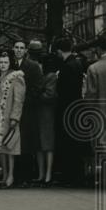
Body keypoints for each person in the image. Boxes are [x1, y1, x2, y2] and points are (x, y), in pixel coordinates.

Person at [53, 38, 87, 186]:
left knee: (67, 143)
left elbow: (62, 90)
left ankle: (70, 176)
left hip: (67, 108)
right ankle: (77, 175)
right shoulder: (78, 64)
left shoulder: (66, 66)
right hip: (76, 106)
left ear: (60, 51)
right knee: (75, 142)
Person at [0, 50, 25, 188]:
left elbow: (19, 99)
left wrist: (15, 117)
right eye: (0, 62)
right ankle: (4, 175)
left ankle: (11, 175)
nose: (2, 65)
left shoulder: (16, 77)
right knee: (1, 147)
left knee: (11, 146)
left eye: (5, 62)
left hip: (9, 116)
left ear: (10, 63)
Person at [11, 39, 42, 187]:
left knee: (26, 143)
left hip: (27, 109)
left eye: (21, 48)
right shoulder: (7, 64)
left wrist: (23, 101)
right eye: (16, 47)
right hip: (9, 109)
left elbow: (37, 88)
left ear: (25, 51)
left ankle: (26, 177)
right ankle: (14, 176)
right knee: (12, 142)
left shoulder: (33, 66)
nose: (18, 50)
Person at [35, 54, 59, 185]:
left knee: (46, 144)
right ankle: (43, 173)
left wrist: (37, 94)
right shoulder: (48, 76)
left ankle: (46, 173)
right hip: (43, 112)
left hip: (47, 113)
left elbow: (49, 95)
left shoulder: (51, 76)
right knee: (41, 144)